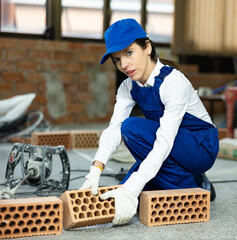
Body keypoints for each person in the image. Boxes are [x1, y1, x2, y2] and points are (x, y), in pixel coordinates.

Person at [80, 18, 219, 225]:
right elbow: (114, 128)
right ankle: (195, 179)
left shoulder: (173, 82)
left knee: (133, 129)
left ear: (147, 47)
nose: (124, 64)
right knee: (127, 189)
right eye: (117, 60)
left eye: (128, 53)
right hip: (172, 144)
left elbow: (164, 141)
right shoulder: (128, 87)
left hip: (200, 146)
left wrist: (133, 188)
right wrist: (96, 168)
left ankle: (191, 187)